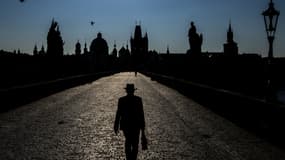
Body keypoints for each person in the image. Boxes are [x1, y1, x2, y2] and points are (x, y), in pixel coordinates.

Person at [114, 84, 147, 160]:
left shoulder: (121, 100)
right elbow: (141, 114)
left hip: (126, 125)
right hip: (136, 125)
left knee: (128, 141)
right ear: (133, 91)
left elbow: (118, 113)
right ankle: (133, 158)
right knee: (135, 143)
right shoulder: (138, 99)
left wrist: (116, 125)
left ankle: (128, 157)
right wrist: (143, 128)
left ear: (126, 91)